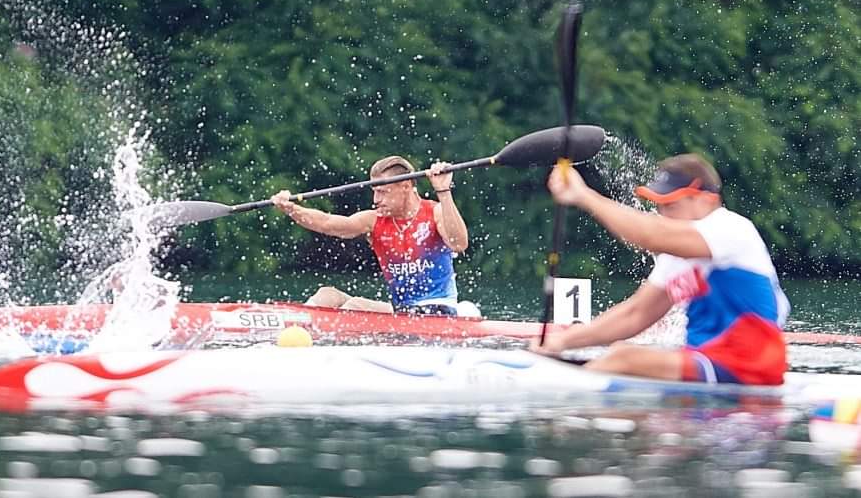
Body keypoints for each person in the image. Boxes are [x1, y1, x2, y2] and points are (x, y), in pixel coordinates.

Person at [531, 154, 789, 385]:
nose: (663, 213)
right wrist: (560, 342)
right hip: (707, 360)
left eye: (671, 205)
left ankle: (563, 403)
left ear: (706, 199)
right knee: (622, 355)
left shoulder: (731, 229)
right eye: (659, 205)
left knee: (625, 358)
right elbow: (635, 314)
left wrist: (583, 195)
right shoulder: (677, 257)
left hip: (750, 363)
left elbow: (649, 235)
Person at [271, 155, 475, 315]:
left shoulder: (436, 212)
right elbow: (328, 224)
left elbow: (459, 244)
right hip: (401, 311)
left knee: (355, 305)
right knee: (328, 295)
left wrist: (443, 190)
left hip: (438, 311)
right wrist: (291, 208)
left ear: (405, 187)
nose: (376, 200)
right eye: (374, 191)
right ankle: (294, 325)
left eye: (383, 192)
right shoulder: (374, 220)